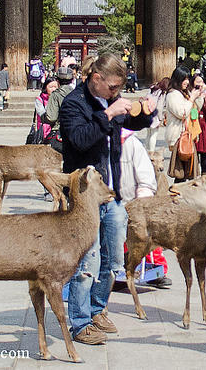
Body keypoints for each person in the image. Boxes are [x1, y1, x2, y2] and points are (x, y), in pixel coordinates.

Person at [59, 54, 155, 345]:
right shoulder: (74, 103)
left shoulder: (109, 100)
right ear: (96, 79)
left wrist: (146, 113)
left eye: (119, 88)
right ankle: (80, 322)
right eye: (112, 87)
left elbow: (133, 124)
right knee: (86, 261)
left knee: (113, 259)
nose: (116, 93)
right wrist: (108, 114)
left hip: (112, 195)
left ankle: (98, 309)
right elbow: (79, 140)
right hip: (85, 197)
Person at [118, 128, 171, 288]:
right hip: (116, 200)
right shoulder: (98, 140)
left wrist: (143, 200)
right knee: (119, 239)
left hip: (136, 201)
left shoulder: (131, 143)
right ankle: (120, 271)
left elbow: (145, 177)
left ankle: (157, 270)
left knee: (149, 237)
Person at [164, 66, 202, 181]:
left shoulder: (184, 93)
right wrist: (191, 99)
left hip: (188, 135)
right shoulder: (173, 95)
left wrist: (198, 96)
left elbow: (196, 109)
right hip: (179, 137)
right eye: (183, 79)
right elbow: (182, 113)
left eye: (187, 79)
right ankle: (177, 195)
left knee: (188, 172)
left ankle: (185, 195)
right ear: (177, 79)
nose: (186, 82)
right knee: (180, 173)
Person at [42, 66, 76, 153]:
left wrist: (43, 117)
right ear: (72, 80)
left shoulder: (56, 95)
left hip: (61, 132)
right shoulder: (78, 93)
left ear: (57, 80)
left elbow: (52, 117)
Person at [192, 73, 206, 175]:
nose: (200, 84)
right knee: (193, 159)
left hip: (203, 130)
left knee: (205, 159)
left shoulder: (205, 97)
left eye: (202, 82)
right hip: (193, 129)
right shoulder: (190, 96)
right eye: (197, 82)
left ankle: (205, 180)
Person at [145, 77, 169, 154]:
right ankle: (151, 151)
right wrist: (160, 118)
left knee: (148, 133)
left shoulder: (153, 88)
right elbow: (160, 106)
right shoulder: (161, 93)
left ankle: (147, 150)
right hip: (155, 115)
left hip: (147, 113)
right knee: (154, 135)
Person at [35, 76, 60, 142]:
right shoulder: (40, 99)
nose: (53, 89)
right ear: (45, 87)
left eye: (55, 87)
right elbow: (42, 114)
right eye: (51, 87)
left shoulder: (59, 98)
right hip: (44, 129)